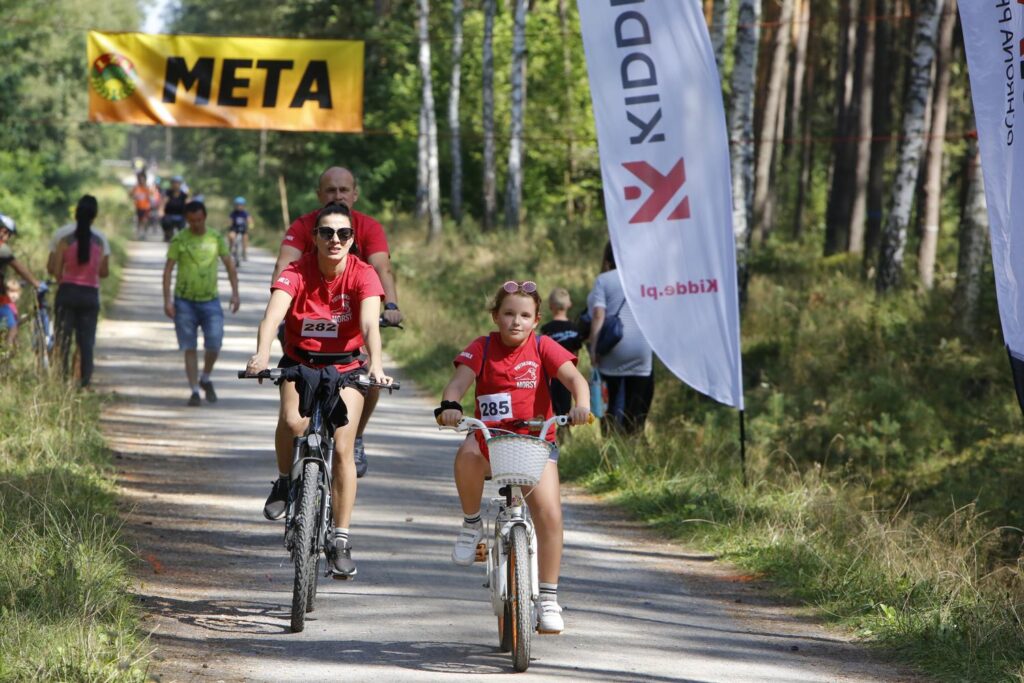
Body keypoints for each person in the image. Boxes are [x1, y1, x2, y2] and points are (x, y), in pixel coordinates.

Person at [435, 280, 590, 634]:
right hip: (491, 442)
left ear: (536, 320)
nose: (515, 322)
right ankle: (472, 524)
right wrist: (450, 405)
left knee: (550, 515)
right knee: (467, 454)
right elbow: (457, 383)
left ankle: (548, 599)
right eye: (508, 314)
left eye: (524, 315)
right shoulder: (483, 347)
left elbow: (575, 379)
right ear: (495, 316)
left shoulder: (543, 346)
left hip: (535, 444)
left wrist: (582, 405)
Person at [247, 203, 391, 578]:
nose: (335, 240)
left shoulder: (364, 274)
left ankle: (340, 538)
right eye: (326, 232)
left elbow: (370, 325)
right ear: (314, 237)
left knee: (343, 447)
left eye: (343, 233)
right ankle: (284, 481)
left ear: (352, 239)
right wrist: (262, 355)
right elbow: (272, 316)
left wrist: (375, 365)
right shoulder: (296, 271)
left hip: (346, 366)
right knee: (292, 422)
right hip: (301, 361)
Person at [272, 166, 402, 478]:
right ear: (320, 195)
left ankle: (355, 435)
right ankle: (287, 473)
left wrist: (392, 305)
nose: (338, 196)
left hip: (349, 322)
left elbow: (382, 267)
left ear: (355, 194)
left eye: (344, 190)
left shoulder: (368, 227)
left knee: (369, 372)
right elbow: (284, 262)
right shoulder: (304, 225)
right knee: (292, 406)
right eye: (331, 190)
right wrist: (280, 298)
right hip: (304, 320)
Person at [162, 200, 239, 406]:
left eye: (199, 220)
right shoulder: (180, 239)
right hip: (184, 302)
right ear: (186, 220)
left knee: (214, 342)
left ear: (204, 217)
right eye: (191, 221)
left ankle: (205, 377)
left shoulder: (215, 238)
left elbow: (229, 265)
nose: (196, 224)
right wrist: (167, 300)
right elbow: (168, 270)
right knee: (189, 346)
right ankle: (195, 391)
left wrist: (235, 293)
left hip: (210, 301)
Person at [588, 242, 654, 435]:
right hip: (642, 347)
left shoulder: (603, 280)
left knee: (610, 403)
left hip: (613, 348)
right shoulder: (643, 278)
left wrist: (594, 349)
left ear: (608, 258)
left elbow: (598, 315)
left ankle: (610, 440)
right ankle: (633, 438)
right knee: (637, 403)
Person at [47, 196, 110, 388]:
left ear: (76, 214)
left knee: (63, 340)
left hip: (67, 292)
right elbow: (104, 272)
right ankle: (84, 383)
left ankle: (60, 380)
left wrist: (64, 278)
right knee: (86, 342)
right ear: (94, 216)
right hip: (90, 295)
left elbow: (55, 270)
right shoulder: (99, 241)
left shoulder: (64, 240)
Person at [0, 214, 45, 347]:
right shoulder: (2, 249)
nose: (8, 238)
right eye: (9, 235)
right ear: (3, 231)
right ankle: (6, 355)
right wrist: (36, 283)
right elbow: (19, 268)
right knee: (12, 327)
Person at [539, 287, 583, 417]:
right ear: (569, 304)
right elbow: (576, 353)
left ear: (550, 306)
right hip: (568, 374)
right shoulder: (574, 328)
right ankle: (564, 428)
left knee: (549, 410)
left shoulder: (546, 329)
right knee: (565, 410)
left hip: (550, 376)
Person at [161, 176, 188, 242]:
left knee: (183, 225)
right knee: (165, 221)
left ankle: (181, 238)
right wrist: (161, 211)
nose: (175, 185)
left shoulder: (183, 195)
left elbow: (187, 204)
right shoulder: (168, 193)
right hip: (169, 215)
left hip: (180, 216)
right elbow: (163, 203)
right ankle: (167, 234)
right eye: (174, 183)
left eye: (177, 183)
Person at [228, 196, 253, 262]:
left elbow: (249, 219)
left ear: (243, 206)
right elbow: (230, 220)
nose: (239, 206)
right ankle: (230, 250)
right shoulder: (233, 213)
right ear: (235, 205)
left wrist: (250, 225)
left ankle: (244, 253)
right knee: (231, 236)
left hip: (243, 229)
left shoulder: (245, 213)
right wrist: (229, 225)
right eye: (237, 205)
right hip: (234, 229)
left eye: (240, 205)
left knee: (245, 238)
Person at [129, 172, 153, 239]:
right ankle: (139, 234)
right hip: (138, 207)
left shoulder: (148, 188)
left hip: (146, 207)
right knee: (139, 221)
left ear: (145, 179)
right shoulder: (136, 188)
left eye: (142, 179)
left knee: (145, 220)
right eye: (140, 179)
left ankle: (144, 234)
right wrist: (133, 196)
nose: (141, 180)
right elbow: (130, 195)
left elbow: (152, 197)